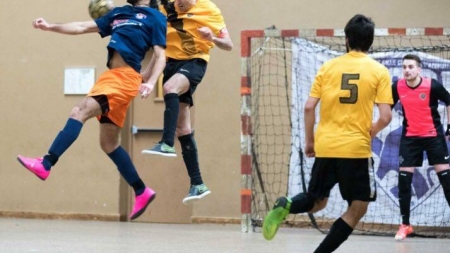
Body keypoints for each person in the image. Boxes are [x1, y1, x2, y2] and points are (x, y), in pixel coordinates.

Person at [17, 0, 167, 221]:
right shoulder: (118, 13)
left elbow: (161, 55)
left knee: (79, 111)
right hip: (111, 77)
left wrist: (150, 81)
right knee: (108, 144)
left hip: (125, 79)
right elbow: (81, 27)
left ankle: (46, 163)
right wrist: (50, 26)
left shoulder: (155, 17)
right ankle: (141, 190)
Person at [262, 14, 393, 253]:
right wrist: (371, 133)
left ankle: (288, 204)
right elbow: (386, 117)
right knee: (358, 207)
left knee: (317, 201)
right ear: (370, 41)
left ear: (346, 39)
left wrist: (310, 142)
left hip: (326, 146)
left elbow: (309, 106)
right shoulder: (379, 71)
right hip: (355, 149)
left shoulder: (328, 67)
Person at [141, 0, 233, 205]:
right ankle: (198, 184)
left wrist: (213, 39)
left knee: (169, 88)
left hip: (195, 61)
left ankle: (166, 143)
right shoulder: (165, 5)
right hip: (171, 63)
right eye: (177, 2)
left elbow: (229, 45)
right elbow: (158, 48)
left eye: (184, 2)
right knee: (184, 128)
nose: (179, 4)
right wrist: (146, 76)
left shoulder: (209, 10)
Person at [392, 54, 450, 240]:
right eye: (404, 67)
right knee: (403, 181)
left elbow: (449, 100)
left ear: (419, 69)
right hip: (410, 138)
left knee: (447, 180)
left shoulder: (432, 85)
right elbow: (386, 106)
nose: (407, 70)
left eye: (410, 67)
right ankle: (405, 225)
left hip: (433, 136)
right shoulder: (398, 87)